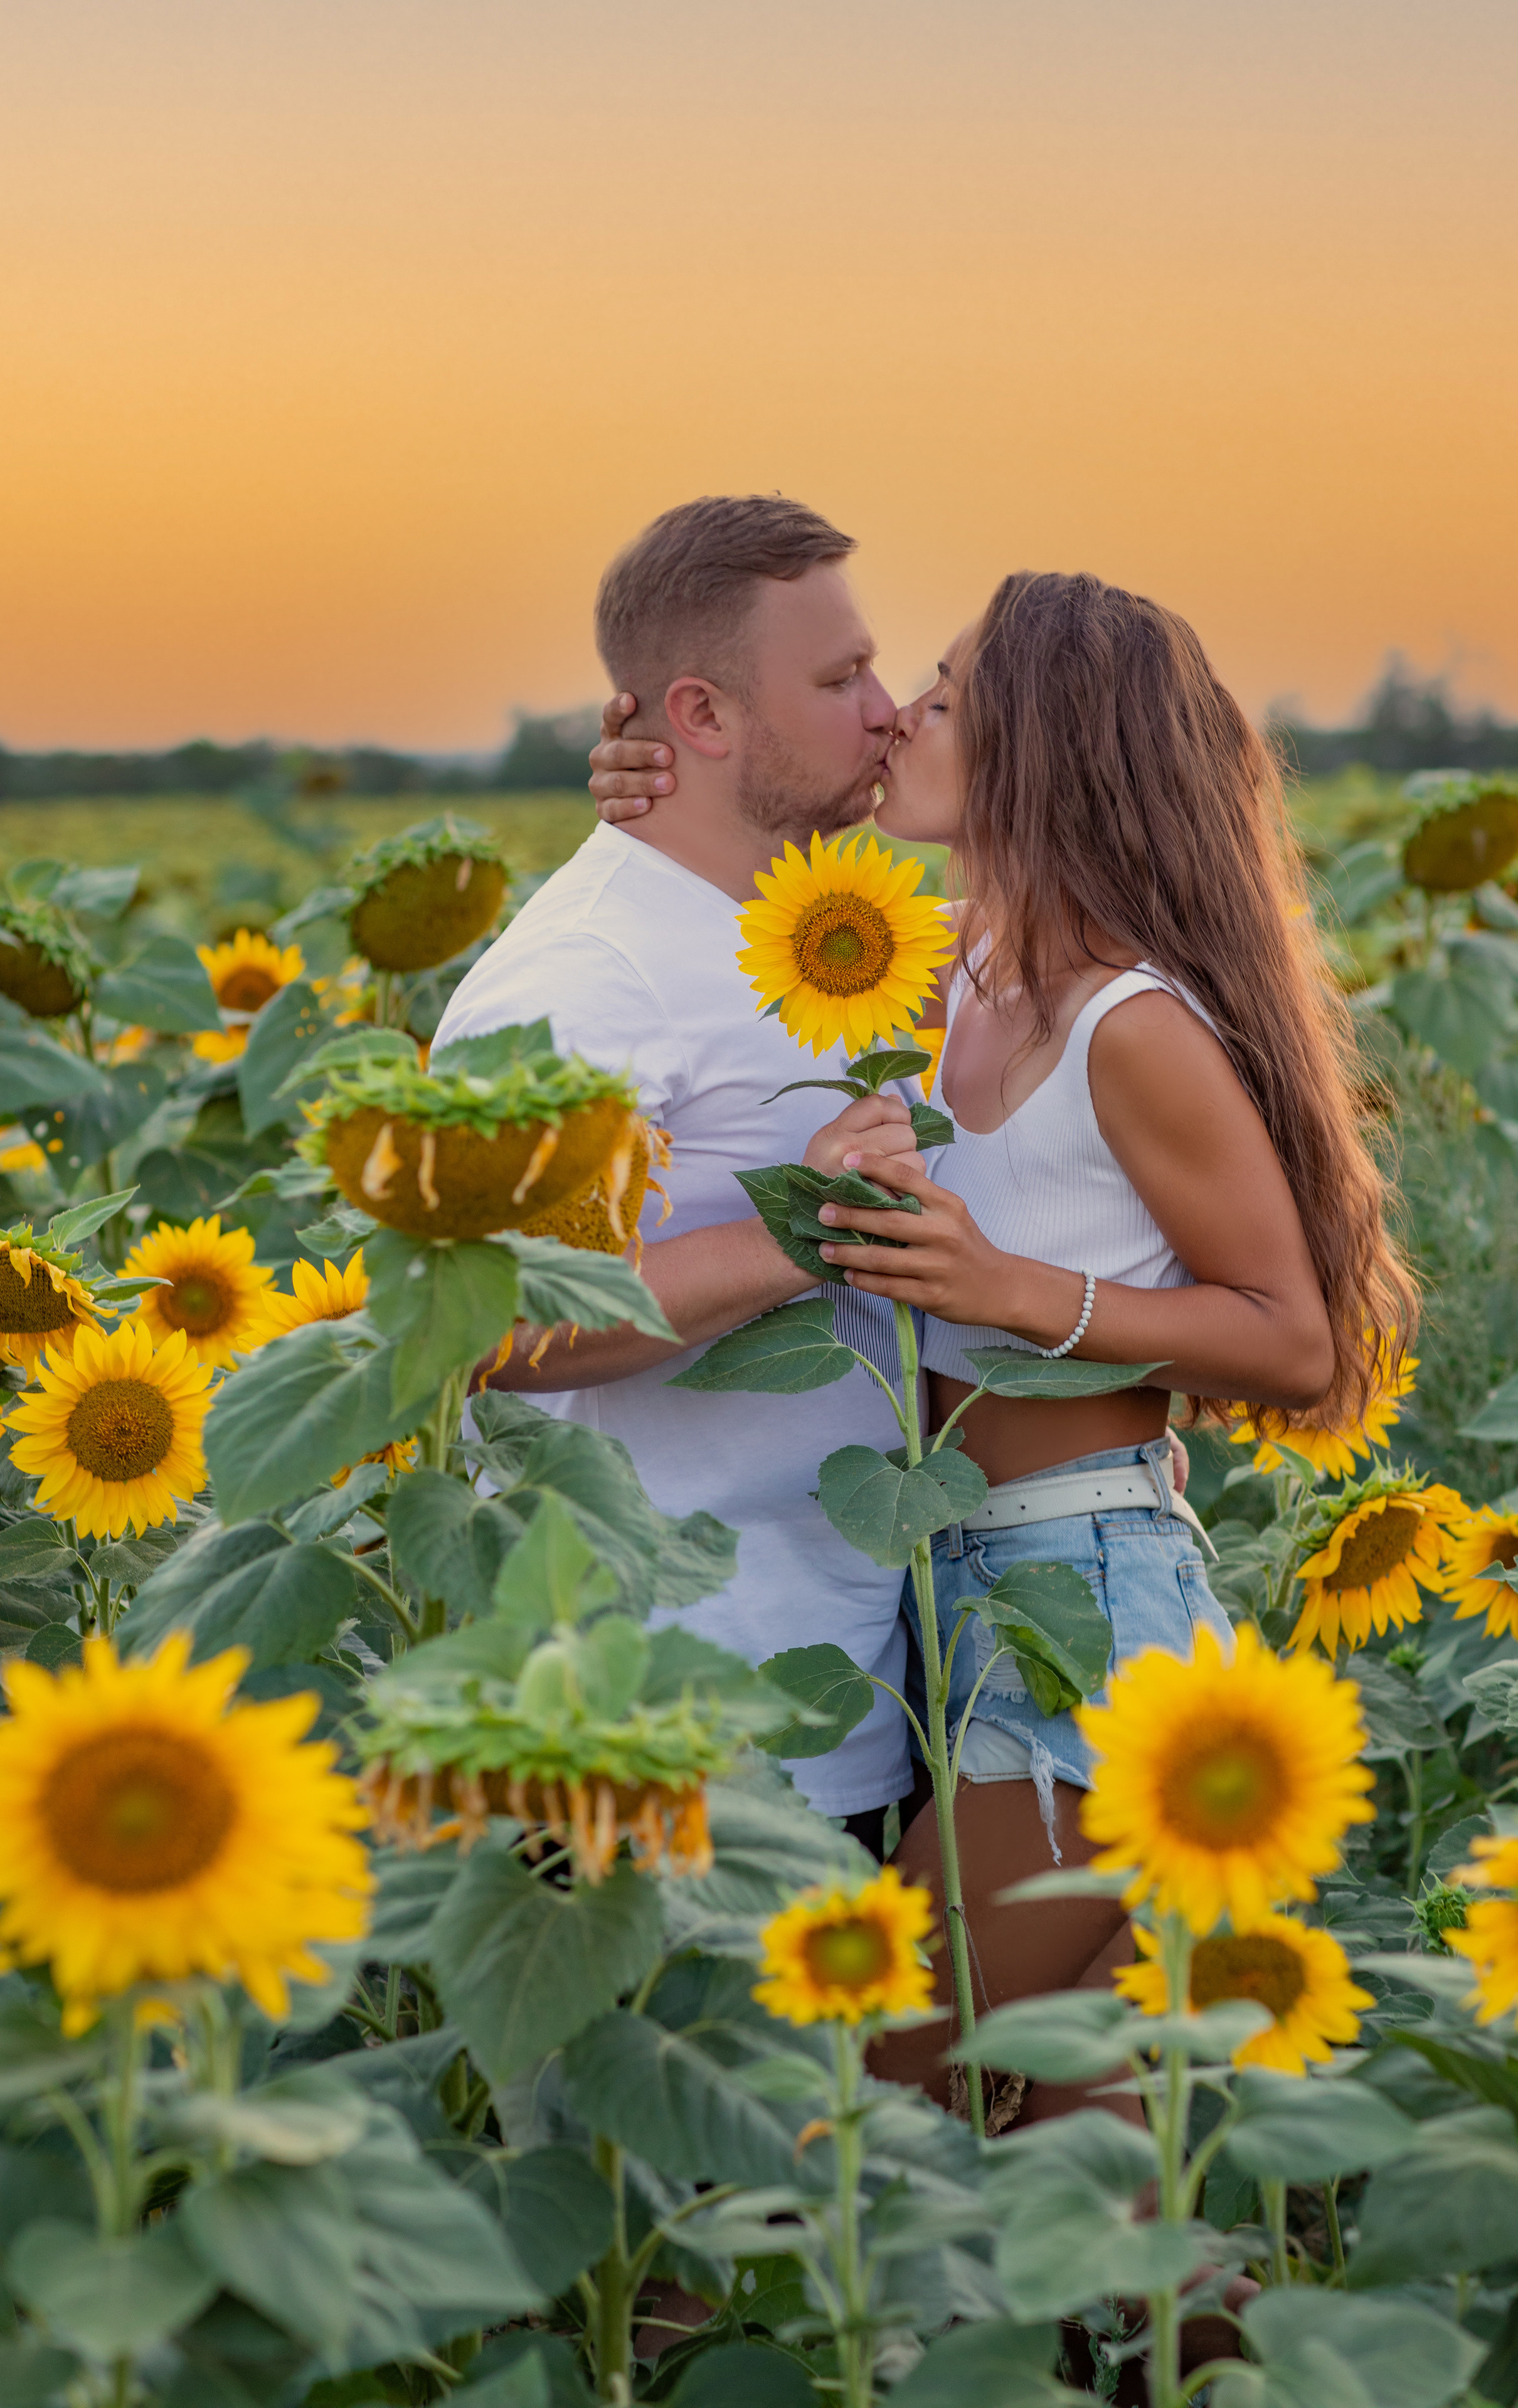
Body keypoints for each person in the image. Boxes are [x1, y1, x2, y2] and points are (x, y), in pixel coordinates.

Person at [588, 568, 1418, 2123]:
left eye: (949, 697)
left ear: (1041, 751)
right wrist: (647, 771)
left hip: (1089, 1609)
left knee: (869, 2088)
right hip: (967, 1598)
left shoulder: (1130, 1024)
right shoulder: (957, 968)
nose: (899, 713)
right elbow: (767, 851)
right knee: (1090, 2167)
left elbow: (1293, 1339)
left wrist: (1010, 1289)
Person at [433, 494, 928, 1849]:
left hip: (829, 1684)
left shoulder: (808, 932)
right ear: (701, 719)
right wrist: (811, 1227)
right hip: (647, 1711)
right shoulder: (584, 973)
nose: (886, 709)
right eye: (839, 680)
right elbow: (493, 1320)